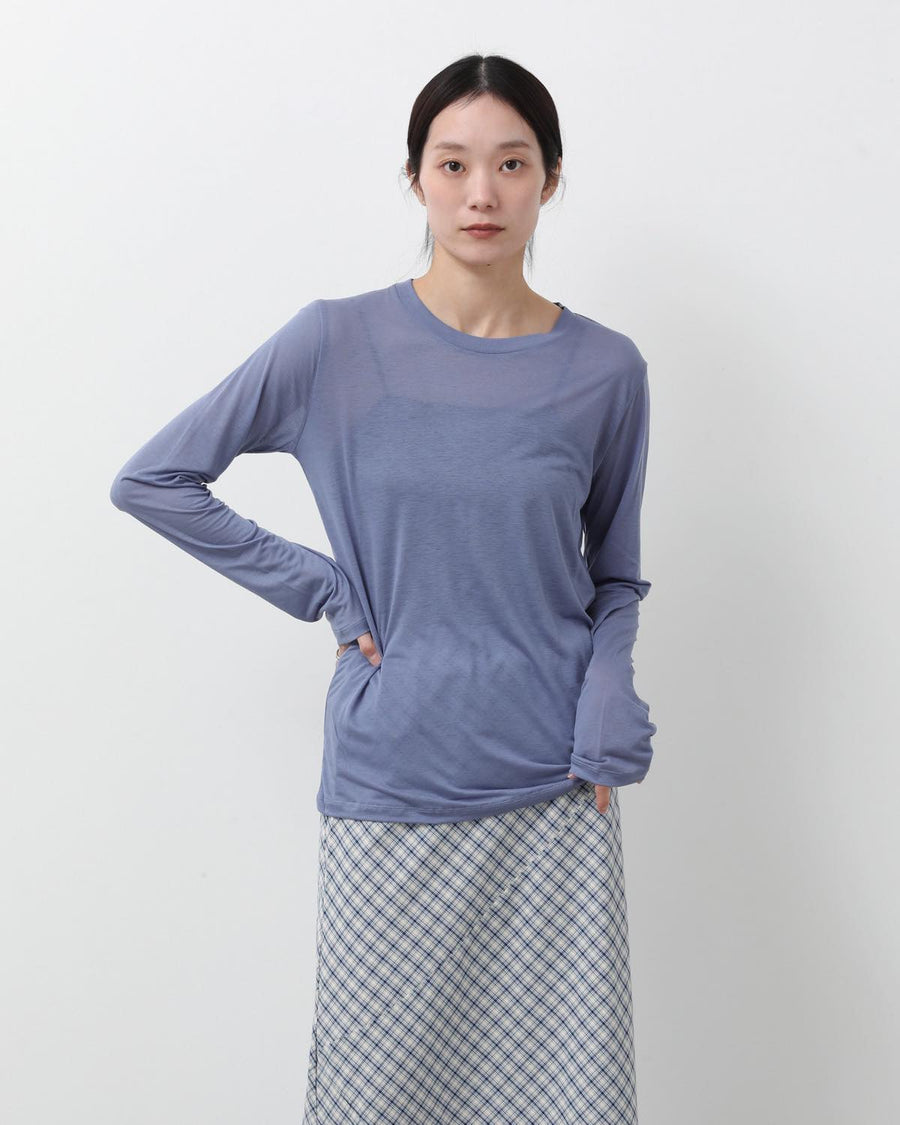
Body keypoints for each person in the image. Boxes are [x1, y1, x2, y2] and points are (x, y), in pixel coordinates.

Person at [110, 52, 657, 1125]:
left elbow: (616, 575)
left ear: (550, 179)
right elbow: (154, 480)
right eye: (453, 164)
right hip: (392, 778)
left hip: (556, 785)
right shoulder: (335, 343)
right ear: (416, 179)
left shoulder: (606, 370)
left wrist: (610, 686)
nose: (482, 192)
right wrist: (322, 587)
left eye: (511, 163)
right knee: (376, 1100)